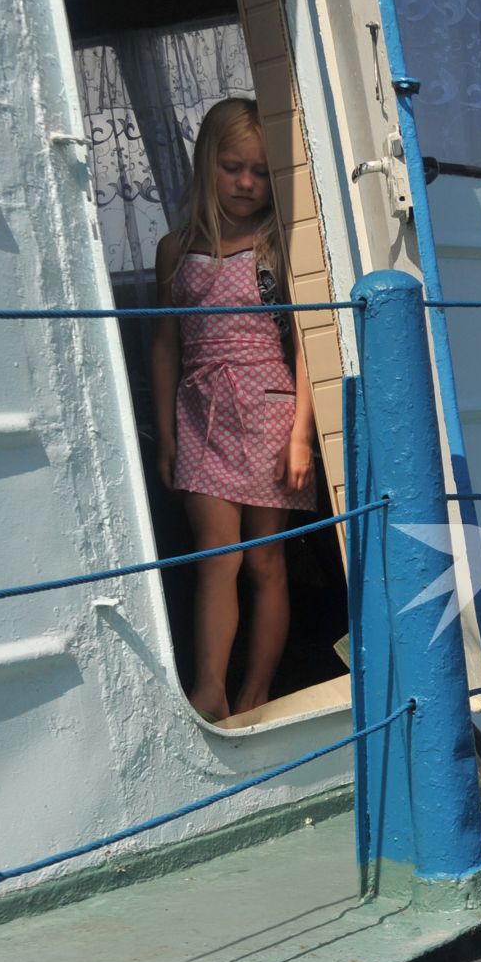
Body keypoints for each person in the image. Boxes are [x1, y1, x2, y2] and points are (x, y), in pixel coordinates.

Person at [151, 97, 316, 722]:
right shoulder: (177, 249)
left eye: (259, 171)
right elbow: (166, 344)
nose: (246, 183)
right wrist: (166, 435)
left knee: (266, 560)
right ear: (205, 166)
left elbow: (303, 340)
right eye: (231, 167)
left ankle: (257, 692)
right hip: (202, 414)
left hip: (271, 410)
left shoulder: (278, 245)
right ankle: (211, 687)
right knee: (217, 556)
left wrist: (302, 435)